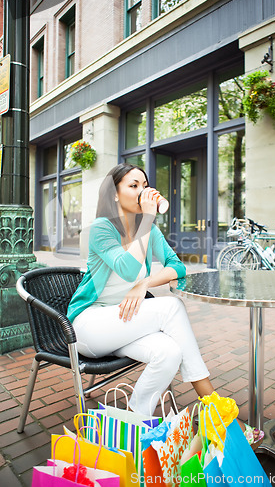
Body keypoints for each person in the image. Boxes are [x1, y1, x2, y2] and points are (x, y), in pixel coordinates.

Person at [67, 163, 214, 415]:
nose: (142, 192)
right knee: (171, 306)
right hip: (88, 327)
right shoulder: (102, 228)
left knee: (170, 352)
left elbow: (177, 267)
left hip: (123, 323)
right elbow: (126, 268)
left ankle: (135, 419)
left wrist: (144, 283)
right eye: (133, 186)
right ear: (114, 193)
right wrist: (147, 218)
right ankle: (214, 405)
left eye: (144, 186)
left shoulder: (150, 230)